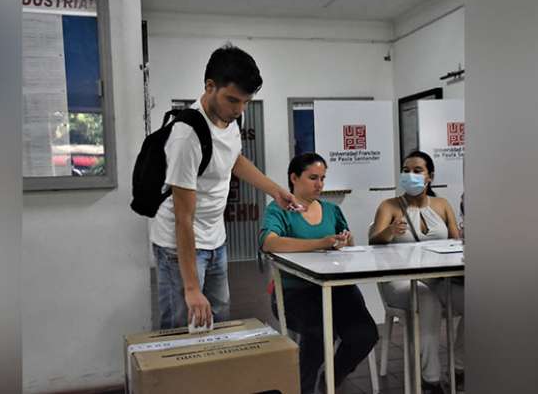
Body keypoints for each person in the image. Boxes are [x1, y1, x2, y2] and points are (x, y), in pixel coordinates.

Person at [150, 44, 299, 330]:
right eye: (233, 100)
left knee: (218, 319)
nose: (240, 109)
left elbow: (234, 159)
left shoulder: (228, 118)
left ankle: (215, 375)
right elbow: (183, 218)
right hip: (178, 245)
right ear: (209, 86)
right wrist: (191, 288)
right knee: (183, 326)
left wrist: (274, 190)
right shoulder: (187, 137)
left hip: (215, 239)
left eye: (245, 101)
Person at [260, 152, 379, 394]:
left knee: (365, 334)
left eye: (323, 178)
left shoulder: (331, 210)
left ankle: (332, 378)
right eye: (313, 177)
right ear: (294, 177)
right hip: (296, 292)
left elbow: (349, 244)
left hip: (336, 288)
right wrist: (320, 243)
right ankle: (304, 389)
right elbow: (269, 243)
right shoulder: (280, 210)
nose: (320, 184)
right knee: (318, 334)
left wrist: (344, 241)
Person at [369, 150, 464, 394]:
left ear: (429, 177)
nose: (410, 175)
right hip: (401, 282)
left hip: (438, 279)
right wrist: (390, 231)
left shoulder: (442, 205)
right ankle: (430, 379)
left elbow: (456, 239)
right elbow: (374, 241)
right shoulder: (389, 206)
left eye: (417, 170)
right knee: (427, 300)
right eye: (406, 170)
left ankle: (459, 368)